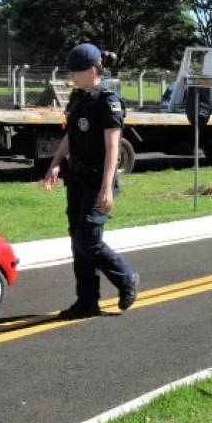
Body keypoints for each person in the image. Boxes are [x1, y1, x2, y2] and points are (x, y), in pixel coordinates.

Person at [43, 43, 139, 319]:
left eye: (76, 70)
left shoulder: (107, 102)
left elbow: (113, 149)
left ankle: (126, 278)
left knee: (89, 240)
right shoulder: (77, 98)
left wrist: (108, 187)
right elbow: (70, 136)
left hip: (99, 179)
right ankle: (86, 301)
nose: (71, 75)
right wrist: (56, 163)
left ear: (92, 70)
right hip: (77, 177)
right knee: (78, 240)